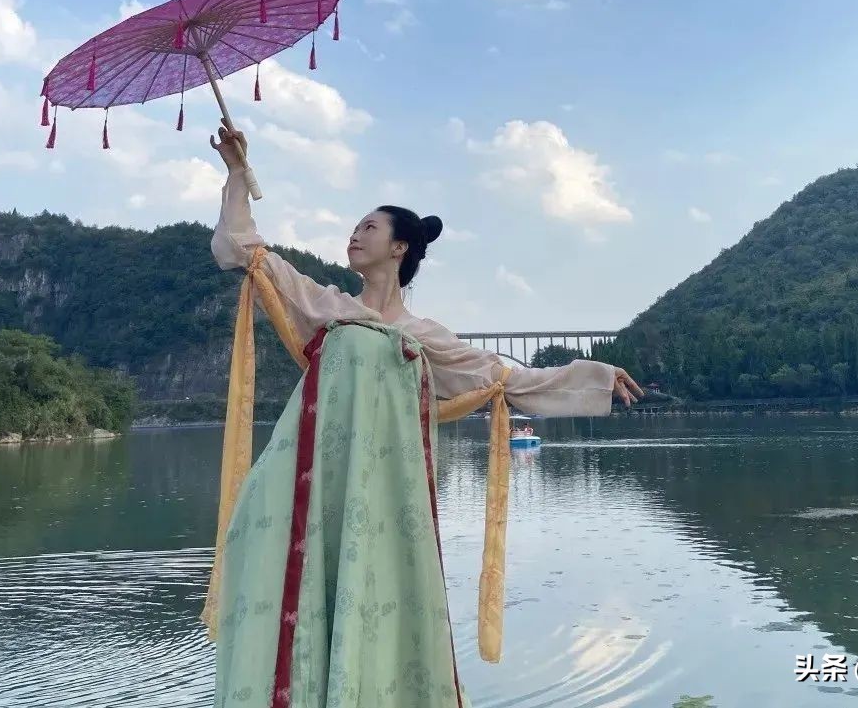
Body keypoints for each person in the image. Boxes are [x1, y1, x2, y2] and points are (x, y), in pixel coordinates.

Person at [207, 124, 643, 708]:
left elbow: (503, 379)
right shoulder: (326, 306)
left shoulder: (424, 338)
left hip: (380, 502)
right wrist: (238, 171)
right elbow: (242, 250)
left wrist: (594, 376)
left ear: (400, 247)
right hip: (305, 487)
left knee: (374, 606)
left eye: (369, 226)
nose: (355, 233)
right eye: (355, 225)